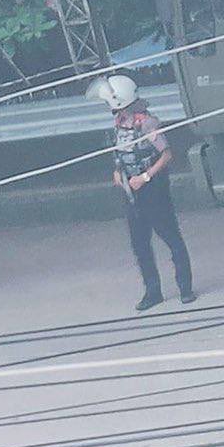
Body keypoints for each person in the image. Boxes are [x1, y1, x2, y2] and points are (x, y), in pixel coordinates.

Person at [86, 75, 195, 311]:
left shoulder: (147, 124)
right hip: (131, 191)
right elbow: (120, 152)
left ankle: (185, 287)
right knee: (140, 244)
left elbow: (166, 154)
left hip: (153, 189)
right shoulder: (119, 123)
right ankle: (152, 291)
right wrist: (118, 171)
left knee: (170, 236)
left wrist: (145, 177)